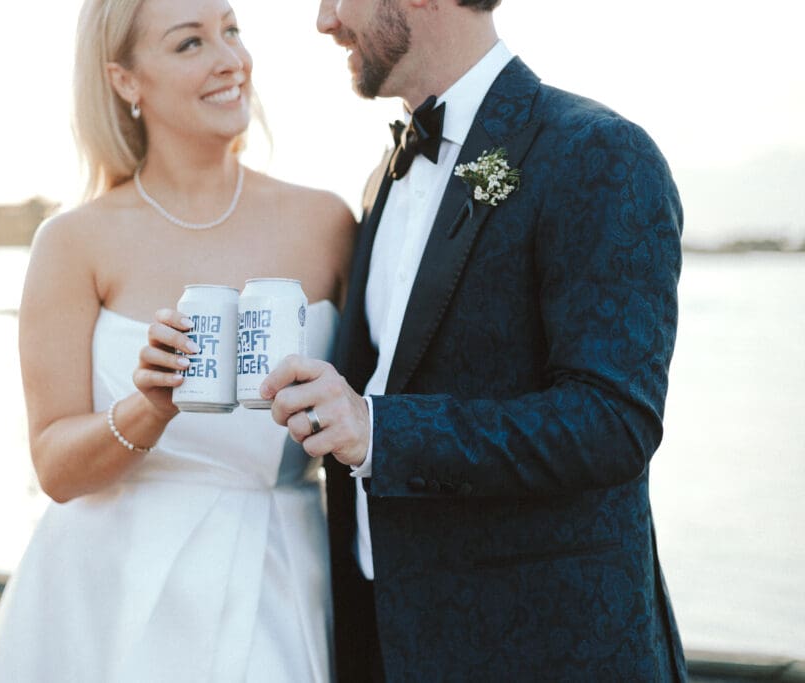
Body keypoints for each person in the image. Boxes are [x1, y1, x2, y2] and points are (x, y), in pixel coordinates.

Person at [260, 0, 688, 680]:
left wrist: (380, 431)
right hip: (386, 642)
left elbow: (613, 420)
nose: (325, 21)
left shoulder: (599, 152)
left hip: (544, 651)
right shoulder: (384, 177)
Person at [0, 0, 354, 680]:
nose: (230, 59)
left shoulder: (326, 222)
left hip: (283, 572)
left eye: (231, 31)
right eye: (189, 44)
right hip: (108, 588)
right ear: (125, 81)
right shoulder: (73, 242)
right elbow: (54, 466)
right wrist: (147, 408)